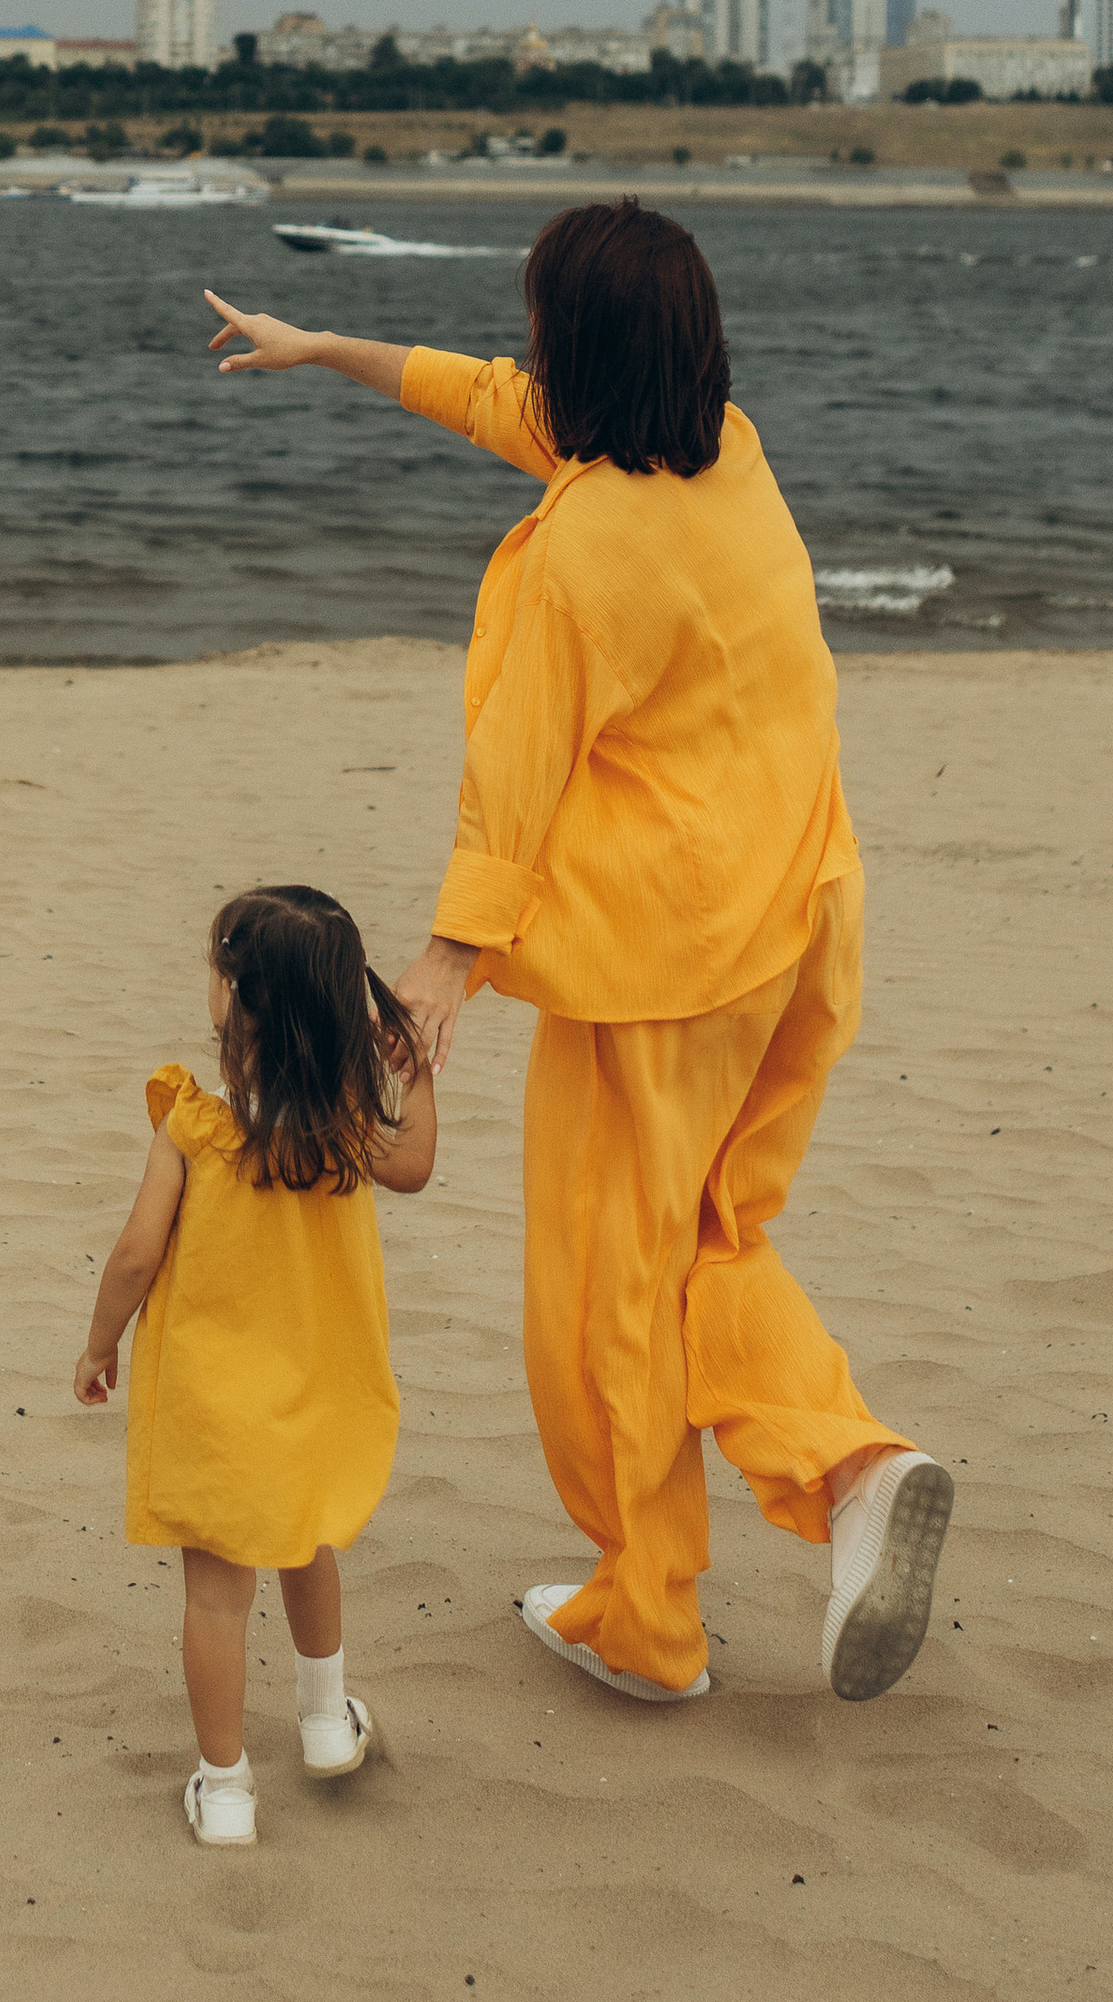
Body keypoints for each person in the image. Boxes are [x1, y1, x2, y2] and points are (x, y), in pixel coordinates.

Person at [204, 201, 953, 1710]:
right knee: (709, 1247)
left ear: (580, 348)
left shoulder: (585, 550)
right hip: (800, 926)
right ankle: (854, 1474)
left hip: (663, 974)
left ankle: (659, 1616)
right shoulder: (725, 454)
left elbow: (518, 770)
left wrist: (443, 965)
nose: (521, 350)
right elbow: (498, 403)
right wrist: (324, 346)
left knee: (609, 1299)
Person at [73, 885, 435, 1848]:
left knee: (216, 1597)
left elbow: (137, 1256)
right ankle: (324, 1720)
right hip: (312, 1389)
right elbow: (415, 1166)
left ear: (241, 1001)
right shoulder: (348, 1123)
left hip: (215, 1404)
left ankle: (225, 1787)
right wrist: (420, 1077)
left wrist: (101, 1341)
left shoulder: (195, 1126)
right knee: (308, 1540)